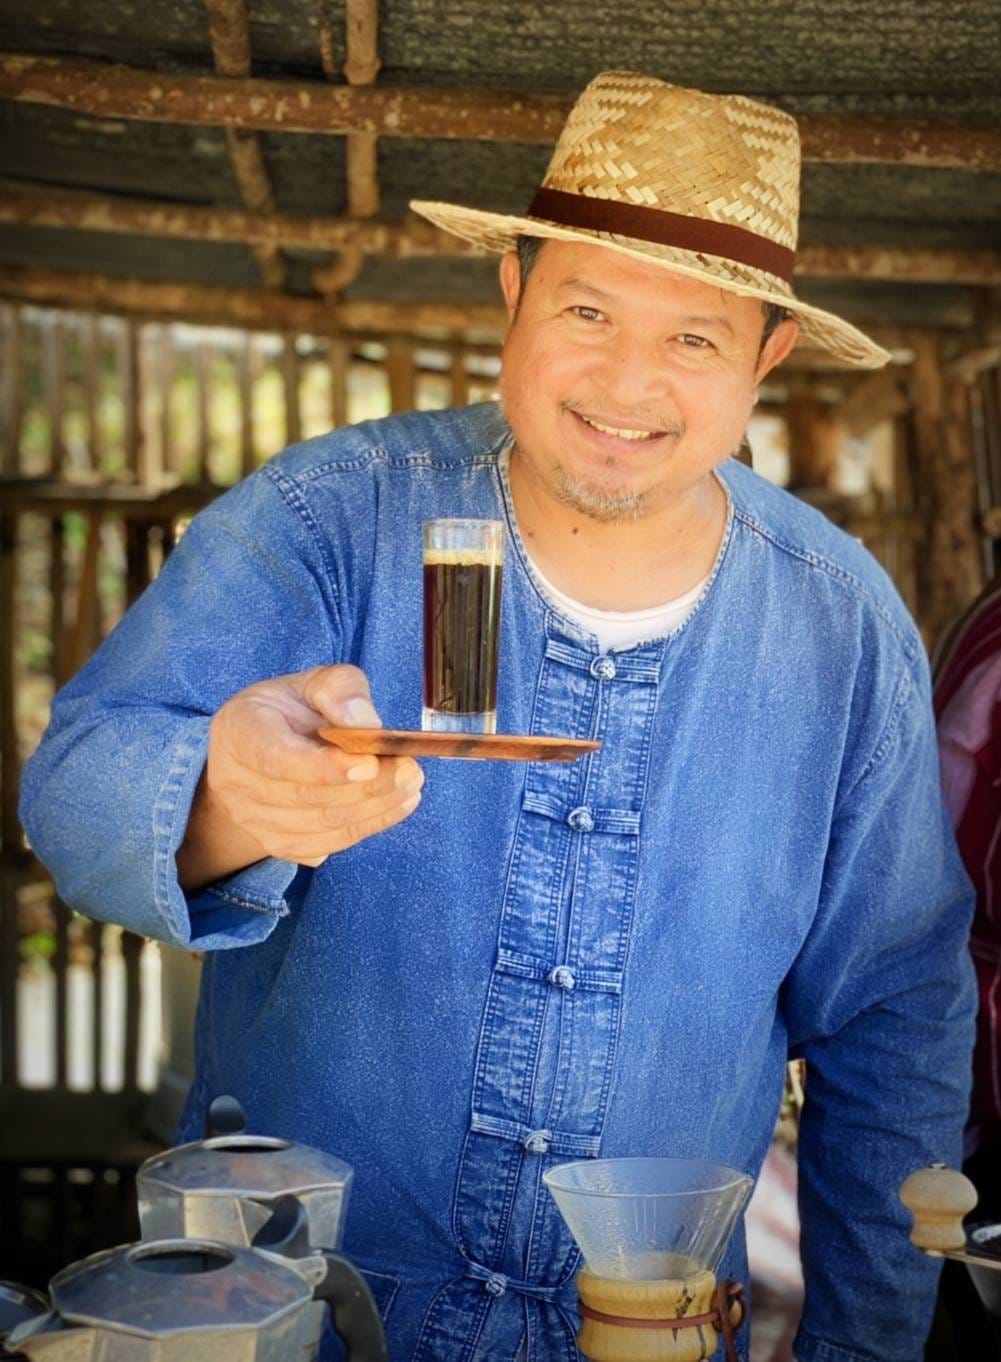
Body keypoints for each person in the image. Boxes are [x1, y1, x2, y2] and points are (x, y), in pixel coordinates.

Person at [19, 73, 975, 1361]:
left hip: (649, 1327)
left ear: (769, 355)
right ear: (512, 288)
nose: (628, 381)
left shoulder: (840, 626)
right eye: (587, 309)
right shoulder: (327, 521)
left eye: (696, 338)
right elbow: (73, 795)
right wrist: (221, 797)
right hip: (309, 1319)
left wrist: (865, 1345)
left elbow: (896, 1010)